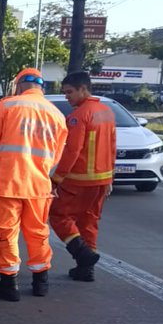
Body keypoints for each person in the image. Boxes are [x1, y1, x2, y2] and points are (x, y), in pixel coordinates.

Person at [0, 67, 68, 302]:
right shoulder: (57, 115)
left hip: (7, 182)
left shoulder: (8, 106)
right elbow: (56, 156)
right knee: (38, 233)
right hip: (38, 185)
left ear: (18, 85)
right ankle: (41, 281)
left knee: (6, 233)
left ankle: (9, 284)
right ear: (41, 88)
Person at [49, 71, 115, 283]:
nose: (67, 97)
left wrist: (57, 178)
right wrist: (110, 178)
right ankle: (86, 270)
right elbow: (113, 147)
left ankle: (83, 255)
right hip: (102, 180)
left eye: (69, 92)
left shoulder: (79, 115)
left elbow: (72, 151)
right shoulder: (107, 112)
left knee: (58, 215)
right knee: (89, 222)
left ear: (83, 89)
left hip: (80, 179)